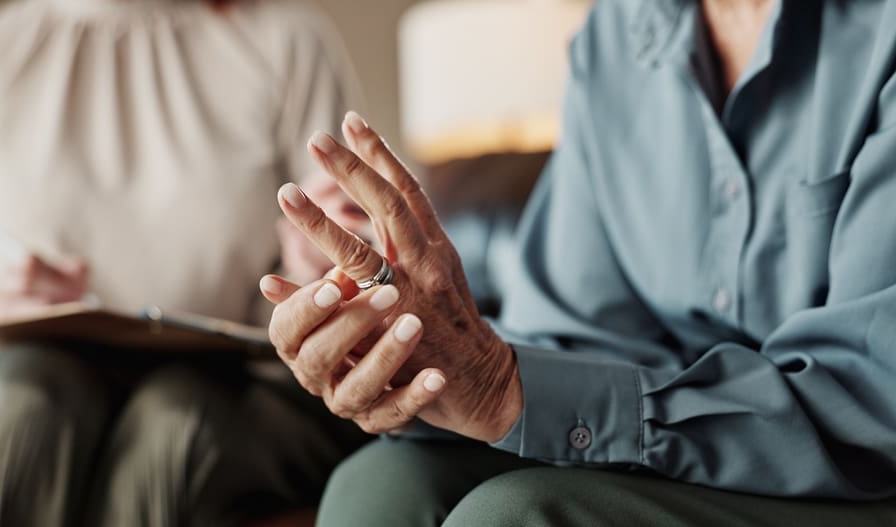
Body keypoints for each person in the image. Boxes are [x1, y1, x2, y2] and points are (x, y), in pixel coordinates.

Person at [258, 0, 896, 524]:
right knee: (380, 489)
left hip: (859, 471)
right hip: (692, 452)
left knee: (512, 518)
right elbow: (575, 327)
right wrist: (407, 341)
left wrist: (504, 389)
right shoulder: (615, 35)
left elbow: (868, 402)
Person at [0, 0, 368, 524]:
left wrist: (316, 275)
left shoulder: (286, 42)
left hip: (235, 391)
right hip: (34, 380)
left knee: (174, 419)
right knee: (26, 398)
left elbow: (352, 251)